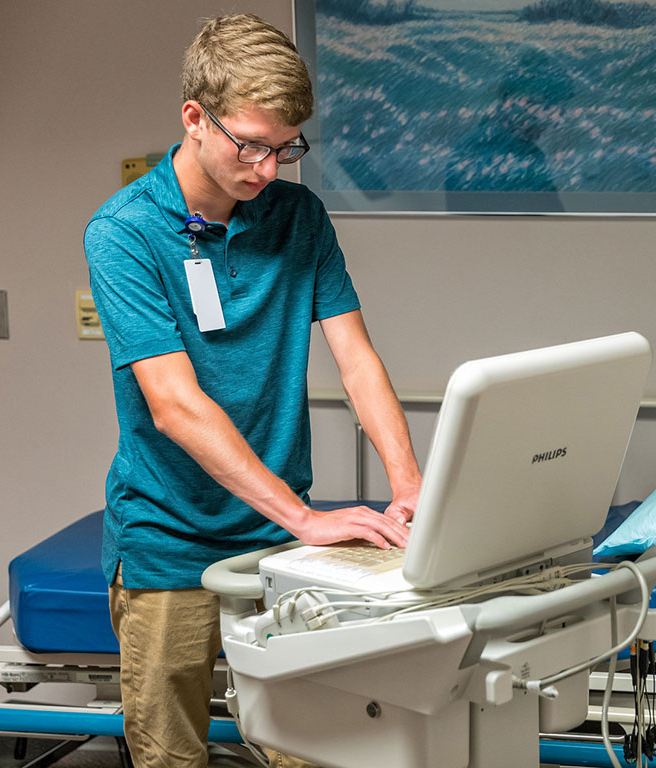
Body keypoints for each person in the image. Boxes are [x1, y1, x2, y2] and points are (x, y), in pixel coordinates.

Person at [83, 13, 422, 768]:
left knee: (309, 750)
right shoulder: (124, 234)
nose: (270, 168)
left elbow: (357, 361)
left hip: (277, 546)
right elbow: (174, 404)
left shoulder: (298, 217)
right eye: (252, 145)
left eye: (287, 146)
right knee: (172, 758)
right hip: (169, 544)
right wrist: (306, 517)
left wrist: (409, 486)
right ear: (194, 119)